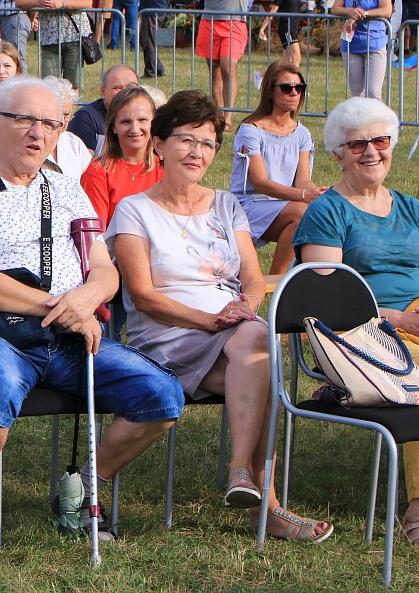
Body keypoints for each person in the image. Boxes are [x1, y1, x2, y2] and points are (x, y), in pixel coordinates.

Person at [0, 76, 184, 548]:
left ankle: (84, 489)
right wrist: (63, 308)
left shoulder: (67, 188)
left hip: (72, 339)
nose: (38, 132)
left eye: (50, 123)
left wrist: (85, 301)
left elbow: (106, 272)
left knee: (163, 397)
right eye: (26, 120)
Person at [107, 89, 332, 543]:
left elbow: (253, 278)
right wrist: (213, 321)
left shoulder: (227, 205)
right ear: (159, 145)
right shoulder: (134, 210)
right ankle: (261, 501)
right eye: (187, 140)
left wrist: (244, 307)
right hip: (166, 337)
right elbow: (144, 297)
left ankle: (244, 479)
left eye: (208, 143)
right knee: (261, 358)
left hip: (232, 332)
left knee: (255, 348)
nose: (198, 152)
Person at [293, 96, 419, 551]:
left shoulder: (411, 208)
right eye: (357, 145)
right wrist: (402, 317)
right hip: (364, 334)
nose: (371, 151)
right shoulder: (327, 212)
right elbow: (327, 299)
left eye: (381, 140)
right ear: (338, 154)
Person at [230, 62, 322, 275]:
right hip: (249, 204)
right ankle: (278, 280)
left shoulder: (302, 134)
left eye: (299, 88)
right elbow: (260, 182)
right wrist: (302, 195)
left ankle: (280, 282)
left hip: (286, 205)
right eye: (286, 88)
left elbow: (303, 180)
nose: (294, 93)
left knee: (313, 212)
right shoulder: (250, 131)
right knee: (301, 211)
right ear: (270, 91)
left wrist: (315, 193)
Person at [80, 86, 163, 229]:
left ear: (153, 123)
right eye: (126, 122)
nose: (135, 129)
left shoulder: (167, 168)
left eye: (142, 120)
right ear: (113, 127)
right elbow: (95, 234)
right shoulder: (98, 171)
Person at [16, 0, 92, 86]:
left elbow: (87, 2)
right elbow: (20, 1)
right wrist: (37, 1)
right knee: (49, 84)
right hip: (49, 41)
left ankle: (71, 108)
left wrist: (61, 4)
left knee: (73, 85)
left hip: (74, 39)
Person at [329, 0, 393, 99]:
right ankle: (358, 124)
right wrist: (350, 11)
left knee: (373, 93)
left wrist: (363, 13)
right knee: (356, 93)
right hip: (351, 44)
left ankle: (376, 123)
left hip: (374, 43)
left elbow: (386, 10)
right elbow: (335, 8)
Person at [67, 64, 139, 153]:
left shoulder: (145, 117)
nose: (125, 92)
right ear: (103, 92)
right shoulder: (86, 119)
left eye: (131, 88)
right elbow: (83, 162)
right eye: (117, 88)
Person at [265, 0, 311, 67]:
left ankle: (262, 75)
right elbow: (273, 11)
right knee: (296, 59)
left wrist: (308, 6)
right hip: (286, 28)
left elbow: (295, 9)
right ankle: (293, 82)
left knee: (285, 62)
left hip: (293, 28)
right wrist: (263, 29)